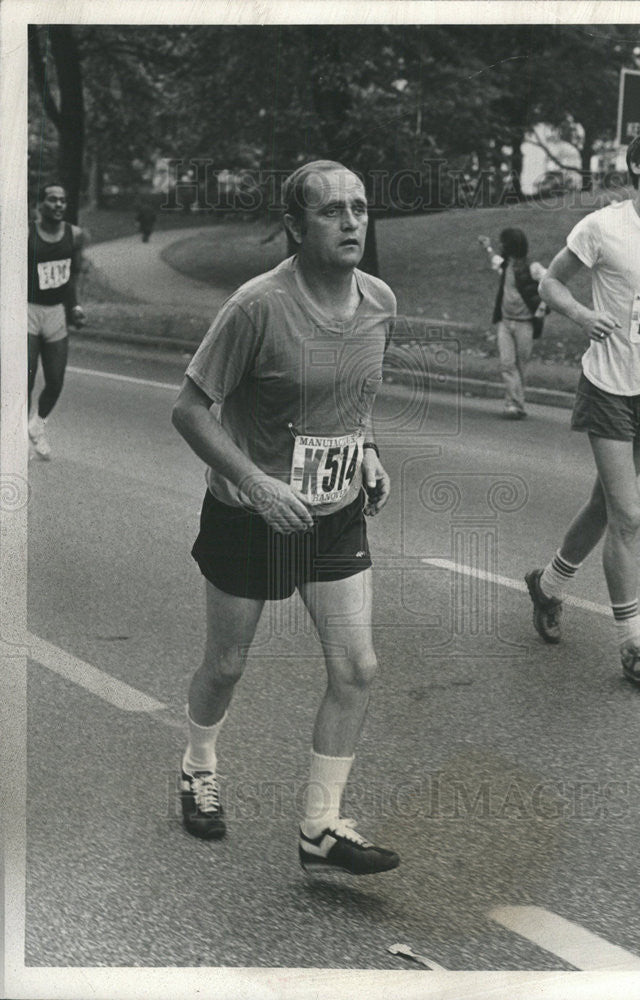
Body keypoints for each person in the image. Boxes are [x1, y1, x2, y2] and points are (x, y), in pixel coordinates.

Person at [171, 159, 400, 876]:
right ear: (295, 227)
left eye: (360, 208)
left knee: (357, 666)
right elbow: (189, 409)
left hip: (334, 516)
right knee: (228, 663)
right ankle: (198, 765)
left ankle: (320, 828)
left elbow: (357, 394)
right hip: (250, 514)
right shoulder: (256, 307)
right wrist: (255, 482)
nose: (352, 221)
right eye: (332, 210)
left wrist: (366, 449)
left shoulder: (381, 302)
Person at [524, 124, 640, 684]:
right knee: (628, 514)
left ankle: (549, 585)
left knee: (606, 506)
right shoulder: (603, 226)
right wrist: (584, 316)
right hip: (609, 385)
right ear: (638, 166)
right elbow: (550, 286)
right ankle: (632, 646)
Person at [27, 183, 86, 460]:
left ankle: (37, 427)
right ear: (40, 204)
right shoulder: (27, 233)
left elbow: (71, 276)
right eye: (53, 200)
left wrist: (74, 305)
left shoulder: (74, 235)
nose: (59, 205)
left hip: (55, 314)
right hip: (27, 310)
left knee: (56, 380)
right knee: (24, 381)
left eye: (63, 200)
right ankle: (15, 441)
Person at [477, 227, 547, 420]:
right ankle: (513, 404)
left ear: (511, 246)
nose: (501, 246)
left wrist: (543, 307)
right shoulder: (505, 265)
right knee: (507, 364)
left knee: (520, 365)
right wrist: (487, 247)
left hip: (525, 324)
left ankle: (516, 404)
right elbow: (495, 260)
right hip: (505, 323)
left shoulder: (533, 268)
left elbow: (551, 283)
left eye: (503, 243)